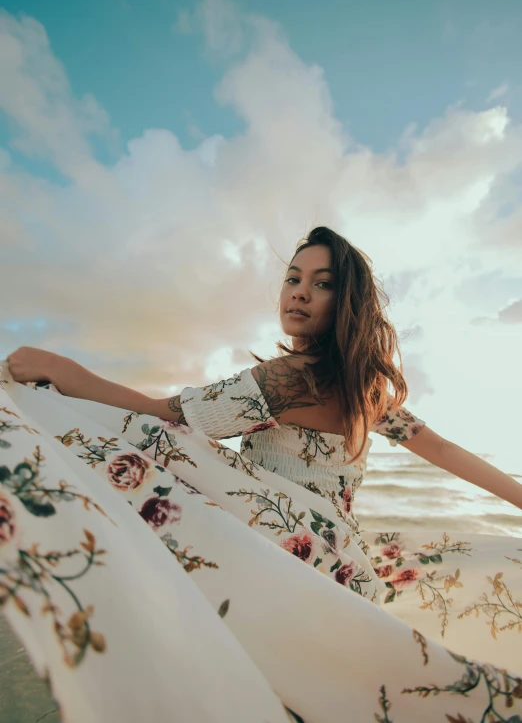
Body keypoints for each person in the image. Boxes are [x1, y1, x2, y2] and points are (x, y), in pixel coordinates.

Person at [2, 226, 522, 723]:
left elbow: (165, 415)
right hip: (344, 565)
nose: (299, 293)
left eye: (322, 284)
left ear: (346, 302)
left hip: (281, 559)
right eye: (293, 278)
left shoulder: (285, 378)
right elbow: (444, 448)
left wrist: (65, 372)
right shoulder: (368, 390)